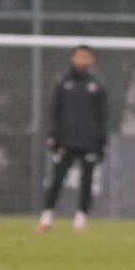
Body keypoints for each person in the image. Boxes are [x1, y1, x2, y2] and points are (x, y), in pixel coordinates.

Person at [37, 45, 106, 233]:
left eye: (86, 57)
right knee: (57, 179)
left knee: (87, 181)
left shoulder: (97, 85)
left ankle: (80, 219)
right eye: (79, 56)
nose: (82, 60)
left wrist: (100, 142)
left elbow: (102, 117)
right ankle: (46, 218)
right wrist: (53, 136)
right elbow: (55, 111)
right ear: (72, 58)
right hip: (65, 141)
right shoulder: (63, 82)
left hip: (89, 142)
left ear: (91, 59)